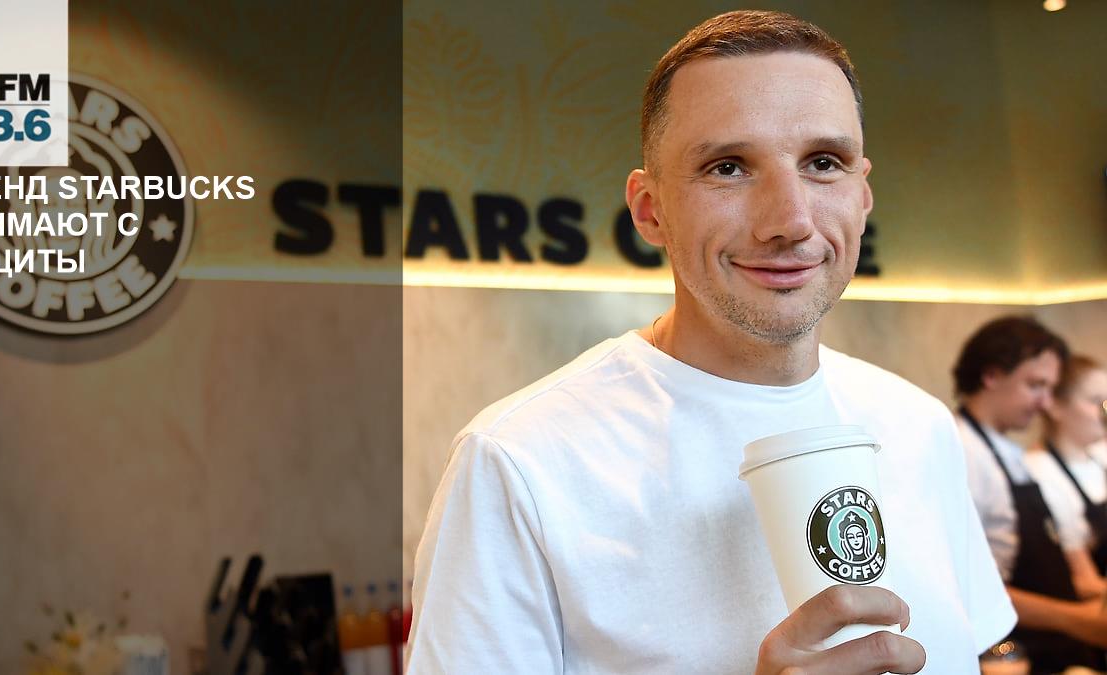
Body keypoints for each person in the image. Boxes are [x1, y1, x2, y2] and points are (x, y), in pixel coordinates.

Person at [408, 10, 1014, 674]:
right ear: (650, 210)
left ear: (863, 194)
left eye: (823, 163)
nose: (790, 220)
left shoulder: (919, 425)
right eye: (728, 167)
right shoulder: (519, 462)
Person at [953, 317, 1107, 673]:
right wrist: (1076, 619)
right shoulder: (962, 451)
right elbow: (971, 587)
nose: (1045, 402)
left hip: (1057, 649)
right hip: (1011, 651)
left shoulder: (1008, 453)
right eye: (1035, 385)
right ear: (991, 375)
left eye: (1050, 388)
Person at [1026, 355, 1107, 597]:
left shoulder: (1100, 453)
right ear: (1055, 406)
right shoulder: (1041, 472)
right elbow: (1083, 580)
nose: (1105, 411)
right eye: (1096, 401)